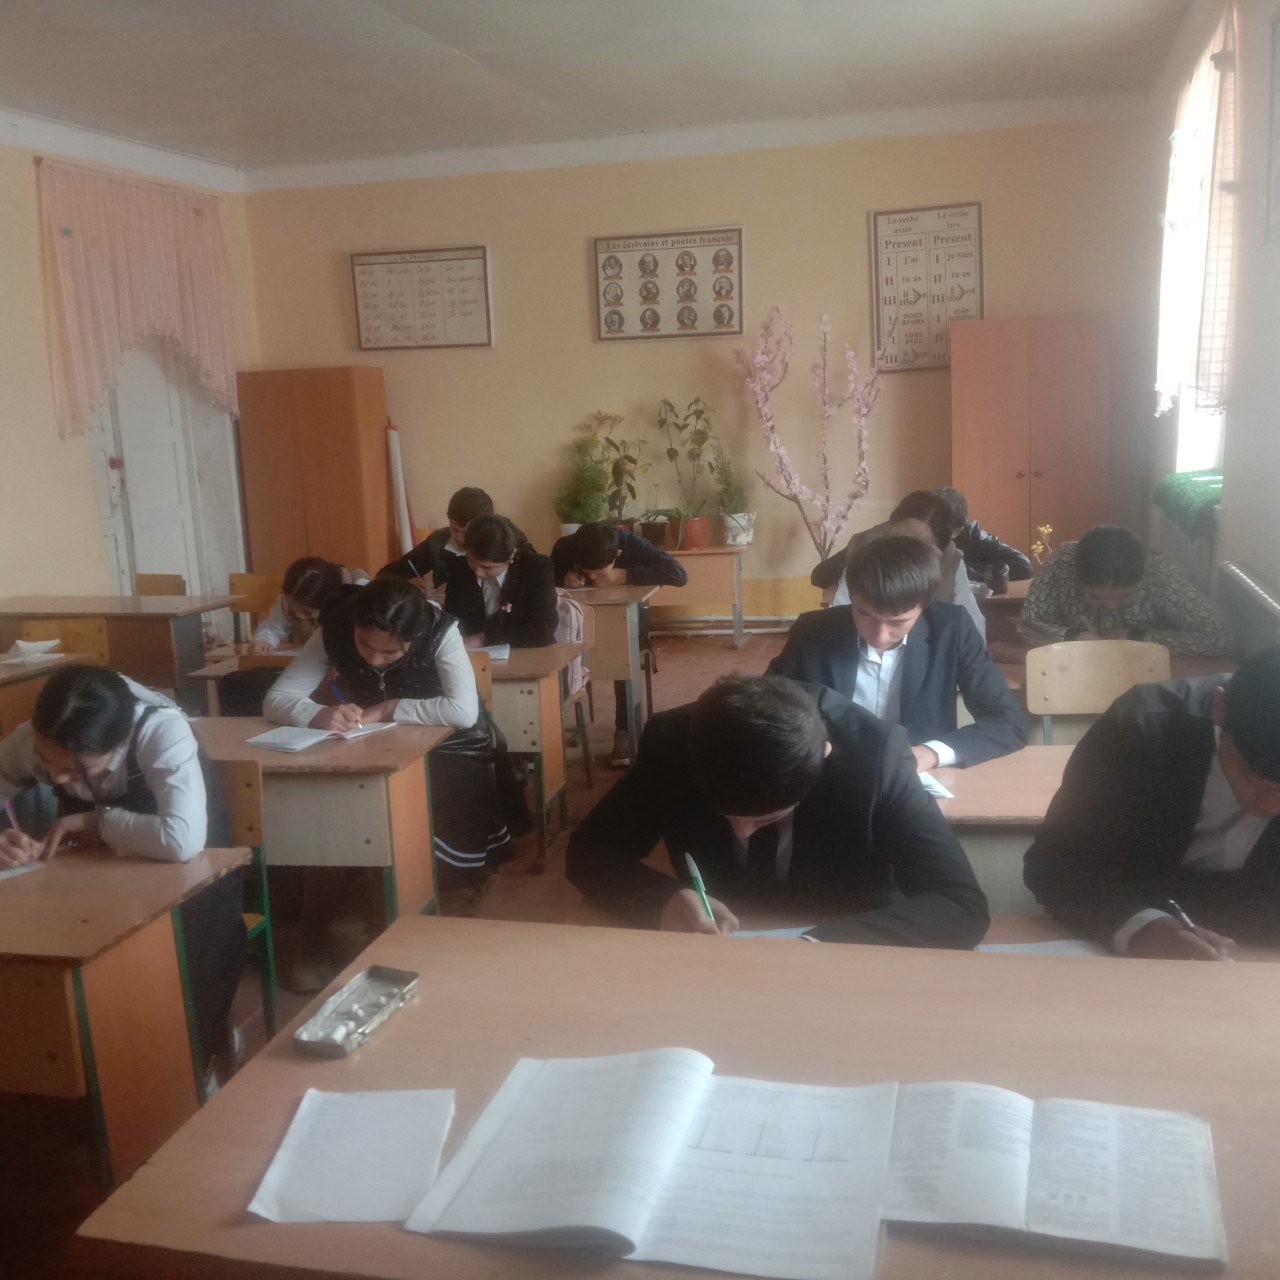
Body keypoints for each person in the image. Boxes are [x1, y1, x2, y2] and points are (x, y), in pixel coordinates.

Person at [566, 673, 988, 947]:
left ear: (822, 758)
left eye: (765, 820)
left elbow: (960, 903)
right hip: (717, 952)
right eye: (724, 815)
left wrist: (818, 945)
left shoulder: (876, 757)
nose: (741, 833)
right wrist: (663, 900)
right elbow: (589, 853)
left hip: (849, 944)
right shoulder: (672, 743)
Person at [0, 664, 246, 1076]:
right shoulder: (34, 738)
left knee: (195, 941)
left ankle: (193, 1061)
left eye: (76, 770)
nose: (57, 778)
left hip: (196, 867)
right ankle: (90, 1071)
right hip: (94, 869)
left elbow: (182, 840)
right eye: (46, 763)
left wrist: (97, 821)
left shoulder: (160, 730)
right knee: (54, 939)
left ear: (120, 742)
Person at [1023, 646, 1280, 959]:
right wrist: (1141, 927)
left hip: (1258, 951)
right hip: (1137, 937)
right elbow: (1054, 863)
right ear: (1219, 707)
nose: (1272, 806)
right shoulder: (1141, 728)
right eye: (1256, 779)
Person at [264, 578, 514, 890]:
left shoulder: (439, 630)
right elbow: (277, 698)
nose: (374, 658)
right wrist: (317, 714)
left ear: (413, 639)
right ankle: (346, 867)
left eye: (390, 652)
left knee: (425, 799)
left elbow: (462, 712)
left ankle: (406, 879)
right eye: (364, 643)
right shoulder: (335, 627)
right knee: (326, 792)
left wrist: (389, 708)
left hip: (451, 742)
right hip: (372, 740)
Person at [769, 534, 1026, 770]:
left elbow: (1009, 722)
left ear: (924, 607)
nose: (879, 635)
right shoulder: (813, 631)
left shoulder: (951, 629)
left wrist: (929, 754)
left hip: (918, 777)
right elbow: (765, 707)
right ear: (852, 596)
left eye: (898, 622)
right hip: (830, 771)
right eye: (865, 615)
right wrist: (802, 742)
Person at [551, 521, 688, 767]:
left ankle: (623, 729)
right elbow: (544, 579)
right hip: (577, 628)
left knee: (621, 657)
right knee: (556, 655)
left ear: (617, 553)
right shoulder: (566, 547)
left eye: (599, 572)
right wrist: (563, 578)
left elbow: (678, 574)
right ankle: (557, 730)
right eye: (587, 571)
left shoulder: (632, 545)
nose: (593, 578)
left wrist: (625, 575)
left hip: (626, 624)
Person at [1020, 524, 1232, 656]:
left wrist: (1138, 637)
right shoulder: (1063, 561)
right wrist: (1076, 637)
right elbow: (1028, 623)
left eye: (1124, 595)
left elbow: (1222, 638)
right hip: (1072, 665)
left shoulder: (1160, 573)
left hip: (1145, 669)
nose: (1110, 606)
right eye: (1095, 597)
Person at [813, 490, 987, 639]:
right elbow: (840, 615)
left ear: (937, 550)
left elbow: (974, 629)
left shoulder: (952, 562)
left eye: (916, 543)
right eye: (899, 536)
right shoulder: (866, 554)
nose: (902, 549)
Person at [443, 514, 557, 649]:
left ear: (511, 556)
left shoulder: (536, 569)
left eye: (487, 568)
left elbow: (542, 630)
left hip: (529, 653)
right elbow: (452, 623)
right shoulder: (458, 569)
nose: (478, 572)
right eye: (472, 562)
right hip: (474, 657)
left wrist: (484, 639)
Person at [379, 487, 494, 589]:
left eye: (467, 533)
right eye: (454, 530)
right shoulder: (439, 540)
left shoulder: (497, 545)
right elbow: (387, 574)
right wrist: (407, 582)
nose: (460, 538)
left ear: (485, 528)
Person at [252, 556, 365, 653]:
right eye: (292, 609)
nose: (298, 615)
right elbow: (272, 628)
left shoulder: (358, 595)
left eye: (307, 612)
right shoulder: (289, 600)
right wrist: (264, 642)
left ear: (330, 603)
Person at [932, 486, 1033, 586]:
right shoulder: (924, 534)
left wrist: (964, 570)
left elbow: (1024, 566)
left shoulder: (972, 534)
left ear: (959, 528)